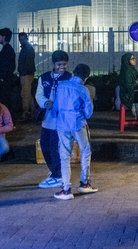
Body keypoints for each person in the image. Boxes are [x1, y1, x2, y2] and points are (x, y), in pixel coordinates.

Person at [53, 64, 97, 200]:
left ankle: (65, 189)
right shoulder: (83, 89)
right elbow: (88, 113)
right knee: (85, 150)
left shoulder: (61, 86)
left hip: (62, 124)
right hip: (78, 124)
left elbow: (55, 107)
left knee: (64, 155)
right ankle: (85, 183)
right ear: (86, 77)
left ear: (73, 73)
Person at [34, 50, 72, 188]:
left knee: (55, 147)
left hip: (61, 120)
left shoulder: (70, 77)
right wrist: (45, 103)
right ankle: (54, 171)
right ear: (53, 64)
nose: (62, 67)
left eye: (64, 64)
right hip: (48, 119)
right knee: (45, 146)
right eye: (59, 64)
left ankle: (58, 175)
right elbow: (39, 94)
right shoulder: (44, 78)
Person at [18, 32, 36, 121]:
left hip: (26, 74)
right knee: (27, 94)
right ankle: (32, 113)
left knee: (25, 94)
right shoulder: (28, 48)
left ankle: (26, 114)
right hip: (28, 73)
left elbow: (26, 63)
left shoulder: (26, 49)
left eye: (22, 39)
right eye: (20, 39)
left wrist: (23, 72)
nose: (21, 41)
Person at [0, 28, 15, 110]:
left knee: (4, 100)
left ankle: (7, 119)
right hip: (7, 79)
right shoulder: (8, 48)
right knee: (7, 100)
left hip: (5, 80)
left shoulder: (6, 50)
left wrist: (2, 78)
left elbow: (5, 65)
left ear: (3, 37)